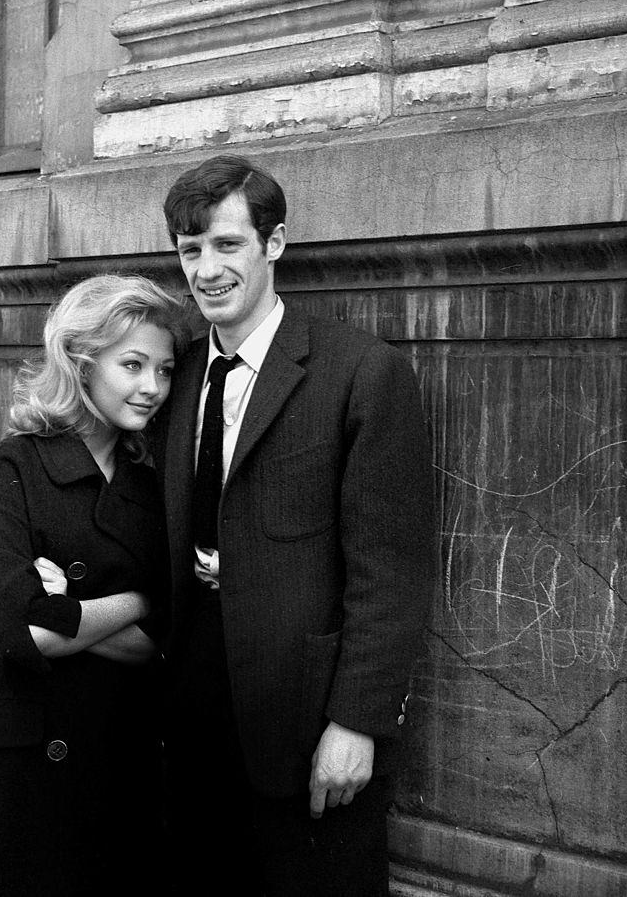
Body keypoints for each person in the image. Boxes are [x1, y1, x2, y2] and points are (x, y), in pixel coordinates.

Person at [155, 155, 436, 896]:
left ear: (274, 243)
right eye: (191, 250)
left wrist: (357, 724)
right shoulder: (174, 375)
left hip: (307, 731)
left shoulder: (361, 373)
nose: (207, 269)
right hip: (188, 724)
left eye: (227, 245)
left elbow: (391, 570)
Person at [0, 274, 188, 897]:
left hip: (115, 753)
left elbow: (158, 643)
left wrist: (77, 609)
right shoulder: (13, 466)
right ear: (80, 362)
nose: (152, 387)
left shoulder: (151, 488)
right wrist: (140, 599)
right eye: (132, 364)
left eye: (165, 370)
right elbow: (30, 633)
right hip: (14, 759)